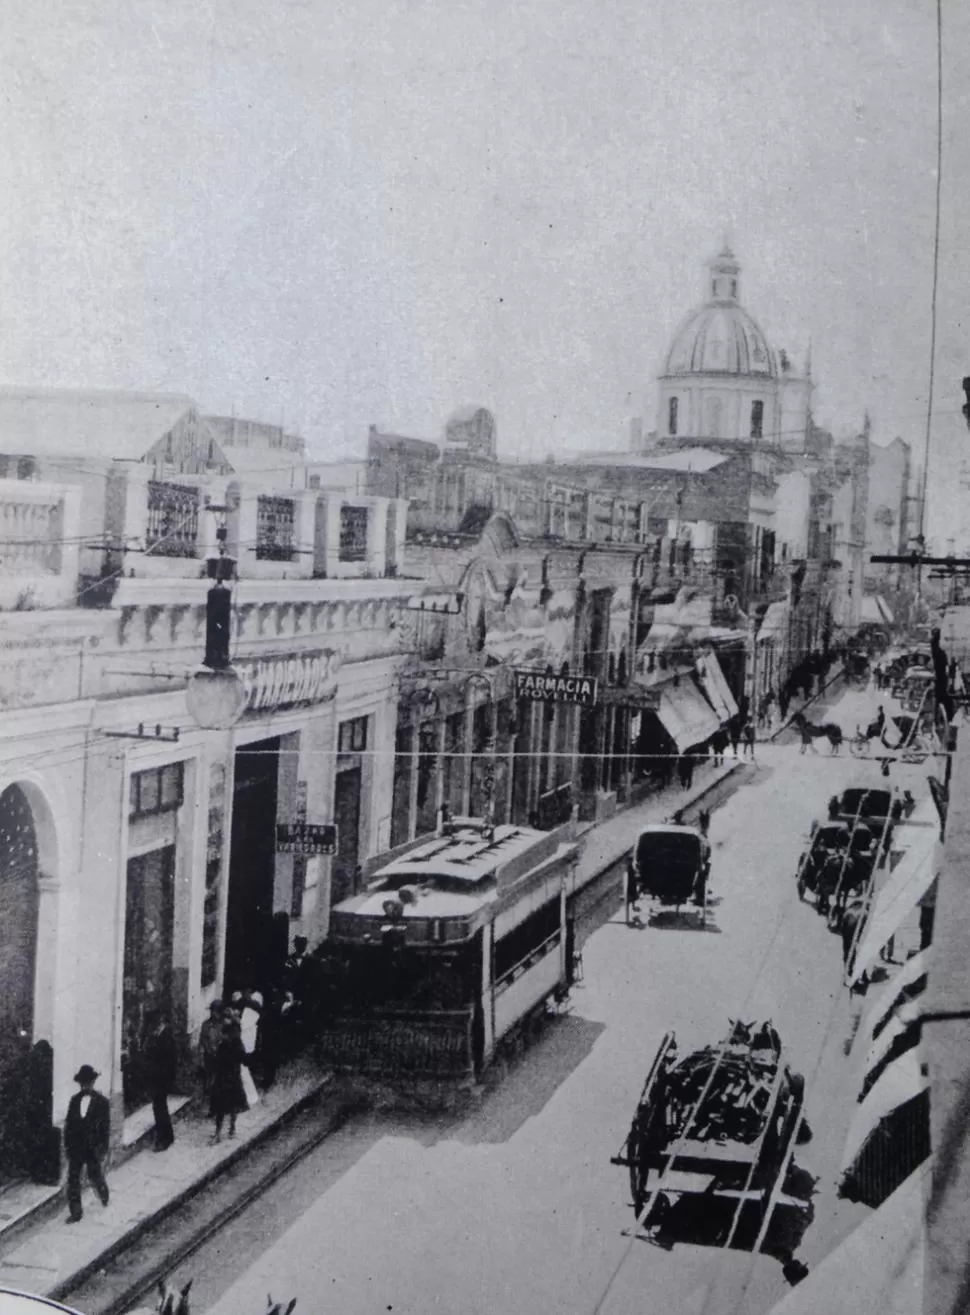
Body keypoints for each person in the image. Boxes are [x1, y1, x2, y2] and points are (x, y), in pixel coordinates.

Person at [64, 1064, 110, 1222]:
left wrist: (102, 1148)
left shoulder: (102, 1102)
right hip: (76, 1147)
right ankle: (76, 1212)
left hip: (92, 1148)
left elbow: (105, 1128)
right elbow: (69, 1125)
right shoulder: (74, 1101)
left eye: (88, 1082)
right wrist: (68, 1146)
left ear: (93, 1082)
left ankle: (104, 1194)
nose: (86, 1086)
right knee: (73, 1180)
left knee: (95, 1175)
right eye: (83, 1083)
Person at [209, 1016, 248, 1143]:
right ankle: (220, 1132)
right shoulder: (224, 1046)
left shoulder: (236, 1045)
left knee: (232, 1106)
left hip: (231, 1078)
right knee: (222, 1107)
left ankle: (230, 1128)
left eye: (224, 1034)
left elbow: (243, 1059)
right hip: (224, 1078)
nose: (222, 1036)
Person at [145, 1012, 177, 1152]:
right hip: (158, 1078)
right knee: (159, 1107)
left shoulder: (167, 1036)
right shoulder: (159, 1035)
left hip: (162, 1079)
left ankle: (164, 1138)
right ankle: (167, 1135)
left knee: (160, 1108)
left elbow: (169, 1061)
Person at [197, 1001, 225, 1099]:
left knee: (218, 1073)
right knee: (208, 1071)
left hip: (220, 1053)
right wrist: (208, 1048)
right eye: (212, 1011)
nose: (213, 1014)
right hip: (209, 1052)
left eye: (216, 1012)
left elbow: (224, 1038)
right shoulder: (206, 1024)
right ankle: (207, 1089)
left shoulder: (223, 1025)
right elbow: (203, 1038)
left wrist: (218, 1047)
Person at [624, 854, 638, 926]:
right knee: (630, 899)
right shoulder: (629, 868)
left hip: (632, 885)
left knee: (632, 898)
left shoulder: (630, 867)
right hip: (630, 886)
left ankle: (633, 907)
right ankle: (627, 918)